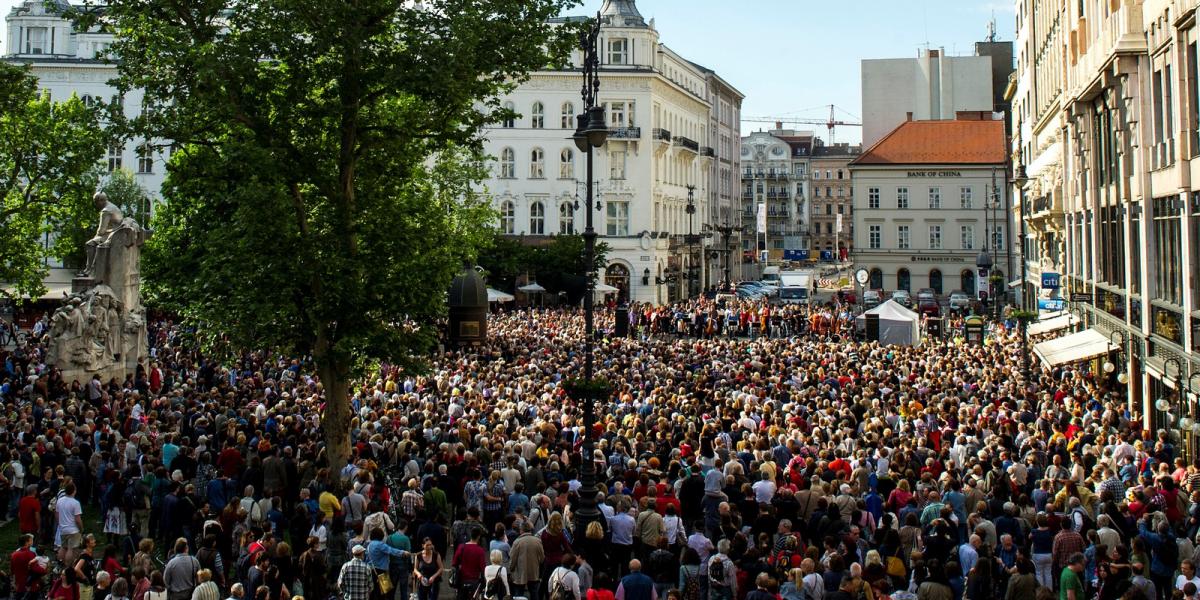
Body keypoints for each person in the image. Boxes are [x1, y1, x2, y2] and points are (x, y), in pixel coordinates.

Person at [452, 528, 487, 600]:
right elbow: (483, 568)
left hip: (461, 581)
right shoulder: (480, 550)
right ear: (479, 537)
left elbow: (454, 563)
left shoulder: (461, 547)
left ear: (470, 535)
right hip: (474, 581)